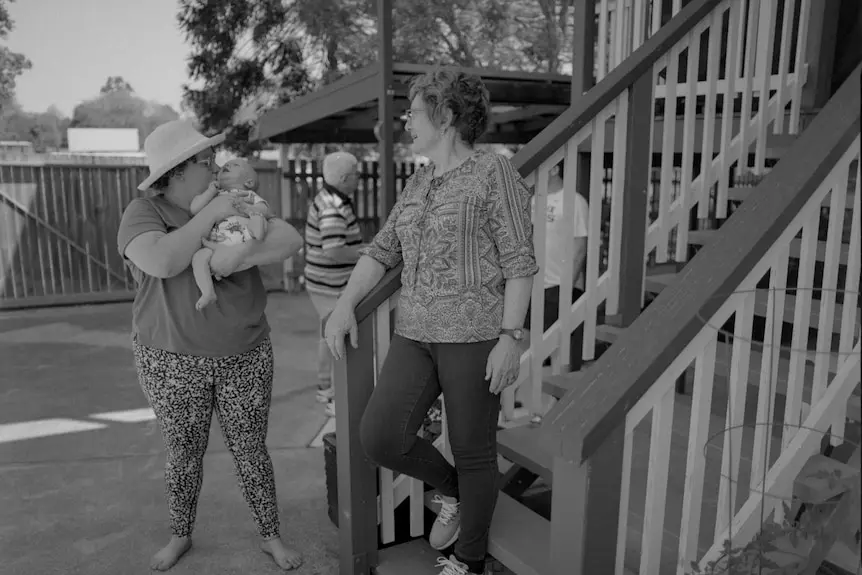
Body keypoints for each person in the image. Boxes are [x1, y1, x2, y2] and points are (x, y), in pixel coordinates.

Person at [325, 71, 537, 575]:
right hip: (415, 334)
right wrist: (343, 302)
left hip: (475, 336)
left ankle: (468, 562)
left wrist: (510, 338)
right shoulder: (420, 179)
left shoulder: (494, 172)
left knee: (473, 449)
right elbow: (382, 250)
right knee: (379, 435)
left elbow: (519, 261)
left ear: (445, 116)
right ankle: (458, 493)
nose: (406, 122)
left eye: (413, 112)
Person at [117, 120, 304, 572]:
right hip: (170, 360)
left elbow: (288, 238)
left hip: (246, 353)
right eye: (206, 162)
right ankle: (180, 534)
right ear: (179, 171)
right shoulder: (144, 212)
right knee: (183, 453)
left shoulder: (236, 201)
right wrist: (213, 215)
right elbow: (161, 260)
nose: (216, 166)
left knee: (251, 450)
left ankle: (270, 535)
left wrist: (235, 253)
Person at [303, 151, 364, 417]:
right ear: (343, 178)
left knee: (329, 333)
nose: (359, 179)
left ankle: (326, 386)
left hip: (323, 282)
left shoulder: (331, 198)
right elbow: (335, 249)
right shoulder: (333, 206)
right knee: (335, 335)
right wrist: (367, 253)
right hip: (330, 284)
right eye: (356, 175)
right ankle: (331, 394)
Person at [190, 158, 275, 310]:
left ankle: (258, 233)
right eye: (225, 166)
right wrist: (210, 191)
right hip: (216, 246)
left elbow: (266, 210)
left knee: (258, 218)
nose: (227, 165)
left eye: (235, 165)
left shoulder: (247, 195)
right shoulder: (215, 195)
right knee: (199, 257)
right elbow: (195, 208)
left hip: (244, 241)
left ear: (248, 182)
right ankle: (208, 292)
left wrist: (247, 208)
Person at [531, 162, 589, 371]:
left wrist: (567, 288)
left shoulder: (575, 202)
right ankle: (512, 397)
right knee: (522, 341)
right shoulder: (534, 201)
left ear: (555, 169)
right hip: (534, 285)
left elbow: (580, 247)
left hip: (559, 286)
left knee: (558, 346)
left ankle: (556, 402)